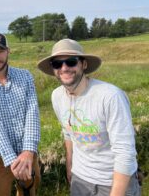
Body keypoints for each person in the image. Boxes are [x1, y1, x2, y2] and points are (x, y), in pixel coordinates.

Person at [37, 38, 141, 196]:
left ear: (83, 64)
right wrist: (70, 165)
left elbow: (125, 152)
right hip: (81, 179)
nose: (64, 68)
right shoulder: (57, 96)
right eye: (57, 64)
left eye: (71, 61)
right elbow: (68, 132)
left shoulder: (110, 96)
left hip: (114, 181)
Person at [0, 33, 41, 196]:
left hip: (28, 152)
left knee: (29, 189)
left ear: (8, 51)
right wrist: (12, 159)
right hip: (0, 155)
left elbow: (32, 113)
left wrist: (28, 152)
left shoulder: (25, 76)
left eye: (0, 51)